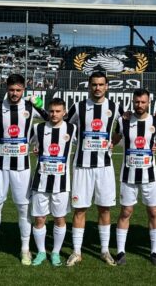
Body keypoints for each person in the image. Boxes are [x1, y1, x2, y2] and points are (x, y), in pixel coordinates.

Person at [0, 74, 47, 265]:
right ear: (6, 89)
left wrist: (41, 104)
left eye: (18, 90)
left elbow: (52, 119)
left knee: (24, 208)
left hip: (22, 167)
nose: (15, 93)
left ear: (23, 90)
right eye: (11, 90)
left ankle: (25, 249)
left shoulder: (30, 107)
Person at [65, 71, 123, 266]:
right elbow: (64, 126)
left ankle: (105, 251)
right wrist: (74, 141)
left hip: (104, 166)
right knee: (80, 209)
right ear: (89, 86)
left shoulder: (114, 107)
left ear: (107, 86)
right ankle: (77, 251)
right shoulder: (79, 107)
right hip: (82, 166)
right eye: (94, 84)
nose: (97, 88)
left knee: (104, 209)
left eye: (101, 84)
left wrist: (114, 140)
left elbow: (126, 125)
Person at [112, 89, 156, 266]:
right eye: (137, 102)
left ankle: (154, 252)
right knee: (126, 212)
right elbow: (115, 139)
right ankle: (120, 252)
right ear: (133, 102)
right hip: (129, 175)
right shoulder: (123, 120)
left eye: (143, 102)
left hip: (150, 176)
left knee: (153, 212)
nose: (139, 105)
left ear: (149, 103)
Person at [29, 98, 77, 266]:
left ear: (64, 113)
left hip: (62, 184)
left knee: (59, 218)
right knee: (39, 219)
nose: (54, 114)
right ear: (48, 112)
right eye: (51, 111)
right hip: (40, 182)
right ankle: (41, 252)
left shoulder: (72, 128)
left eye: (58, 111)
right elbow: (25, 142)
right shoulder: (38, 128)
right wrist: (35, 148)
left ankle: (55, 252)